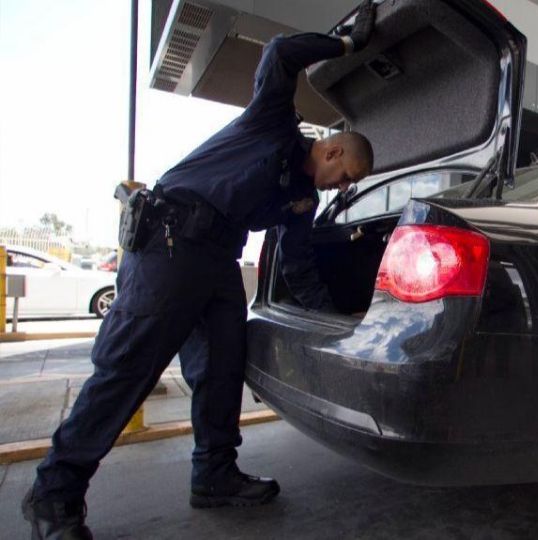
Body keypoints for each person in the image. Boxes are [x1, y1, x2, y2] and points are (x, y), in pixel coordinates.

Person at [21, 2, 377, 538]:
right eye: (344, 175)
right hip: (168, 245)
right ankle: (54, 494)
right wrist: (347, 44)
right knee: (127, 371)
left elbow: (300, 267)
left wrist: (340, 326)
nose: (341, 187)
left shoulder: (301, 200)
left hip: (216, 265)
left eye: (347, 185)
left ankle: (214, 475)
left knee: (222, 366)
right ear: (330, 149)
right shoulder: (272, 122)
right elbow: (281, 55)